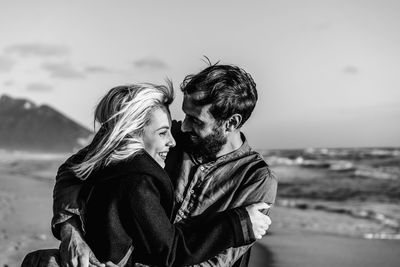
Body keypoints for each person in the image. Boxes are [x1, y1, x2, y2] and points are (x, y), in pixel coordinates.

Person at [49, 63, 278, 267]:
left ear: (231, 123)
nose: (184, 127)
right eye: (186, 115)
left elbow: (217, 261)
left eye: (196, 120)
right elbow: (75, 171)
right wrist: (72, 233)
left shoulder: (257, 179)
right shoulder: (161, 136)